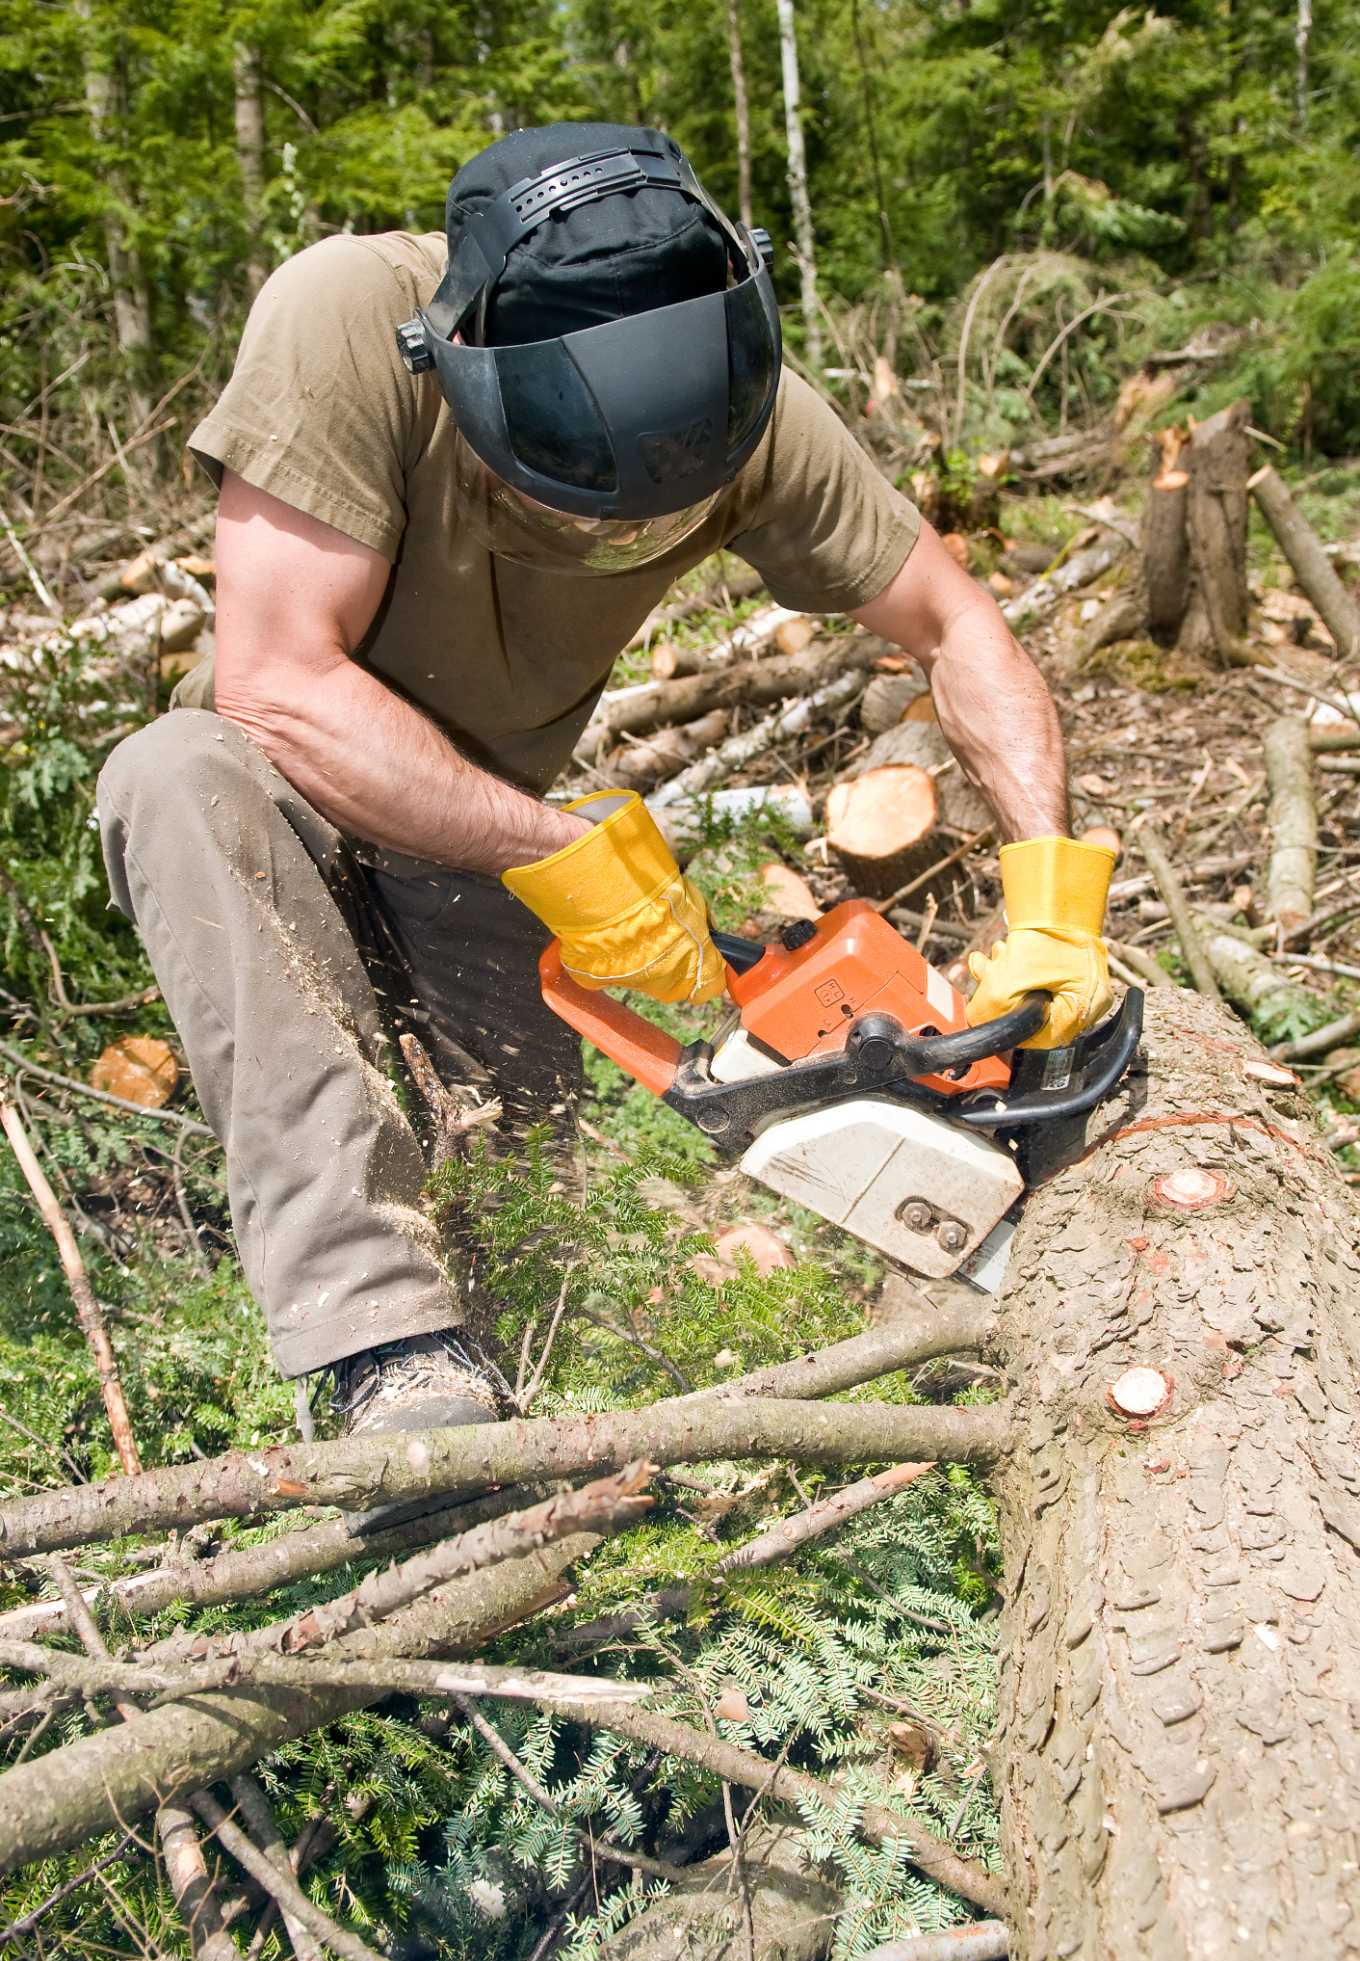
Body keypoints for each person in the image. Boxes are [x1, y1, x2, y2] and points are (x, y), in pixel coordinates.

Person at [97, 121, 1114, 1475]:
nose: (625, 538)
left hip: (479, 832)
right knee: (172, 774)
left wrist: (1051, 885)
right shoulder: (347, 322)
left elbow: (952, 624)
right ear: (459, 370)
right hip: (290, 794)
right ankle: (378, 1342)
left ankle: (526, 1491)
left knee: (527, 1251)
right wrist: (569, 848)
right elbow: (276, 686)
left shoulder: (743, 404)